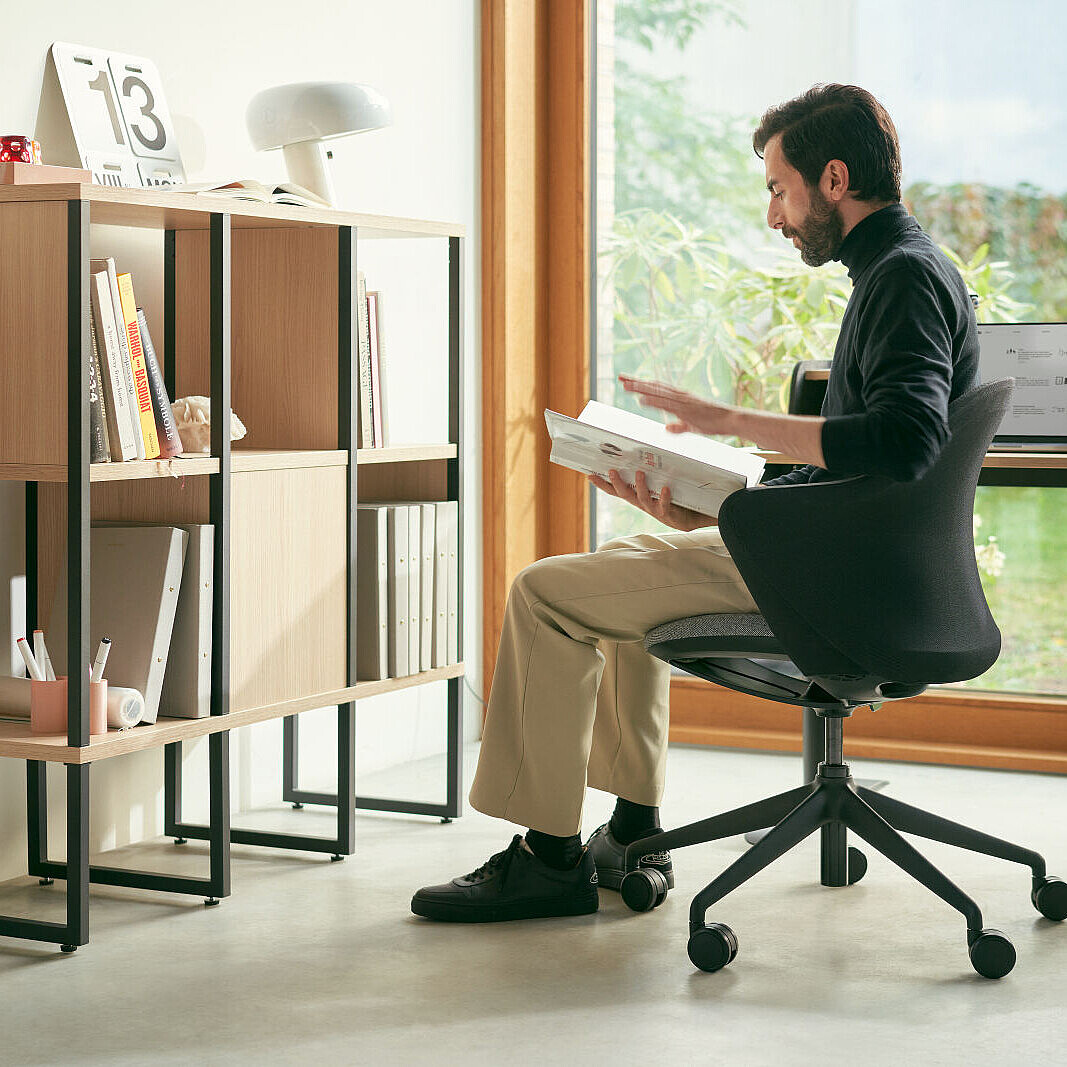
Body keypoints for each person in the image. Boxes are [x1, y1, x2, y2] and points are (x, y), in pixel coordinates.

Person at [411, 83, 979, 923]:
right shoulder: (904, 270)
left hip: (833, 581)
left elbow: (904, 440)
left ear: (832, 178)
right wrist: (713, 502)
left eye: (777, 190)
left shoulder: (899, 279)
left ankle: (548, 860)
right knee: (613, 576)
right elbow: (859, 477)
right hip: (849, 563)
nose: (773, 216)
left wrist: (726, 422)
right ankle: (630, 830)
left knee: (543, 593)